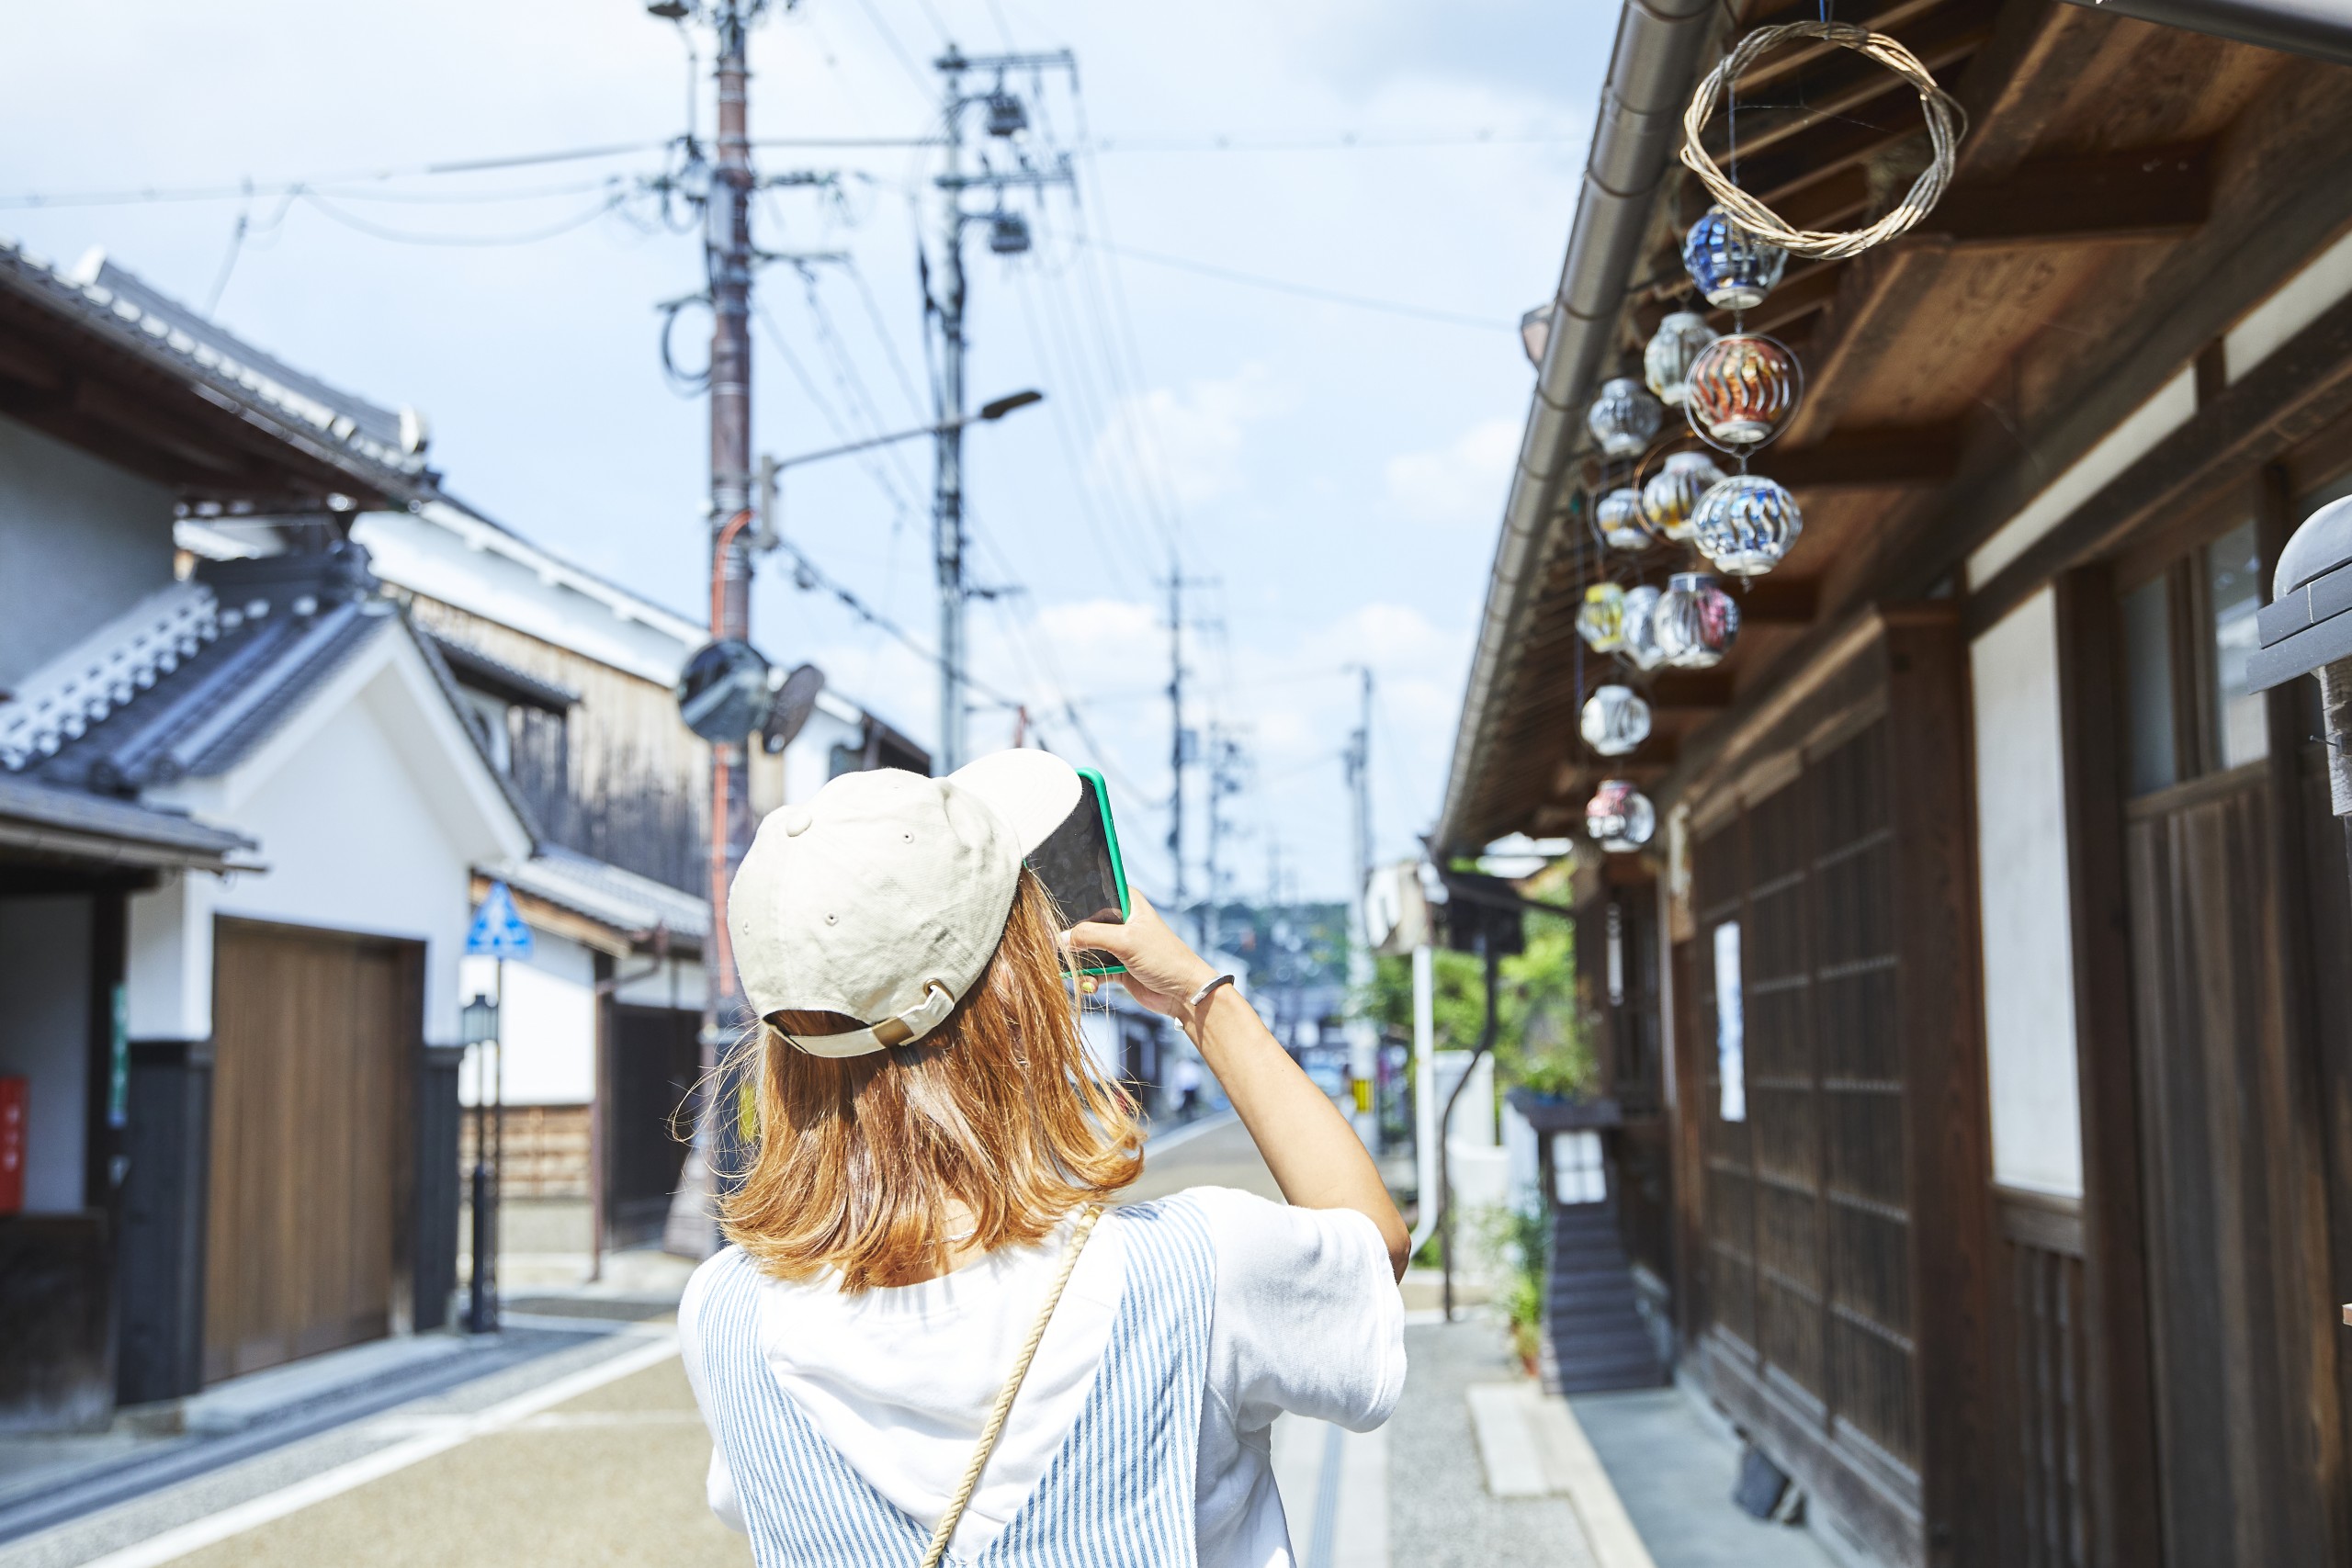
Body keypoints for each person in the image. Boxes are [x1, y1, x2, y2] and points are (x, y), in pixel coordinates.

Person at [678, 751, 1409, 1568]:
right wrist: (1205, 996)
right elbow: (1372, 1248)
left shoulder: (723, 1317)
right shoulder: (1199, 1273)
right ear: (1017, 994)